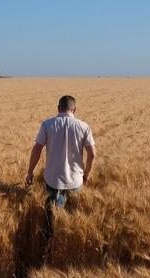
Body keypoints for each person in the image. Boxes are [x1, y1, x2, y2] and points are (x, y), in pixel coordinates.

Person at [25, 95, 96, 250]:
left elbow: (37, 149)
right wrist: (87, 174)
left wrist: (30, 172)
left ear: (58, 108)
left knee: (51, 221)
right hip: (76, 182)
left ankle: (49, 247)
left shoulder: (47, 124)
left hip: (52, 181)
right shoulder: (84, 126)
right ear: (74, 109)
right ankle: (69, 248)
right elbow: (92, 154)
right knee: (73, 220)